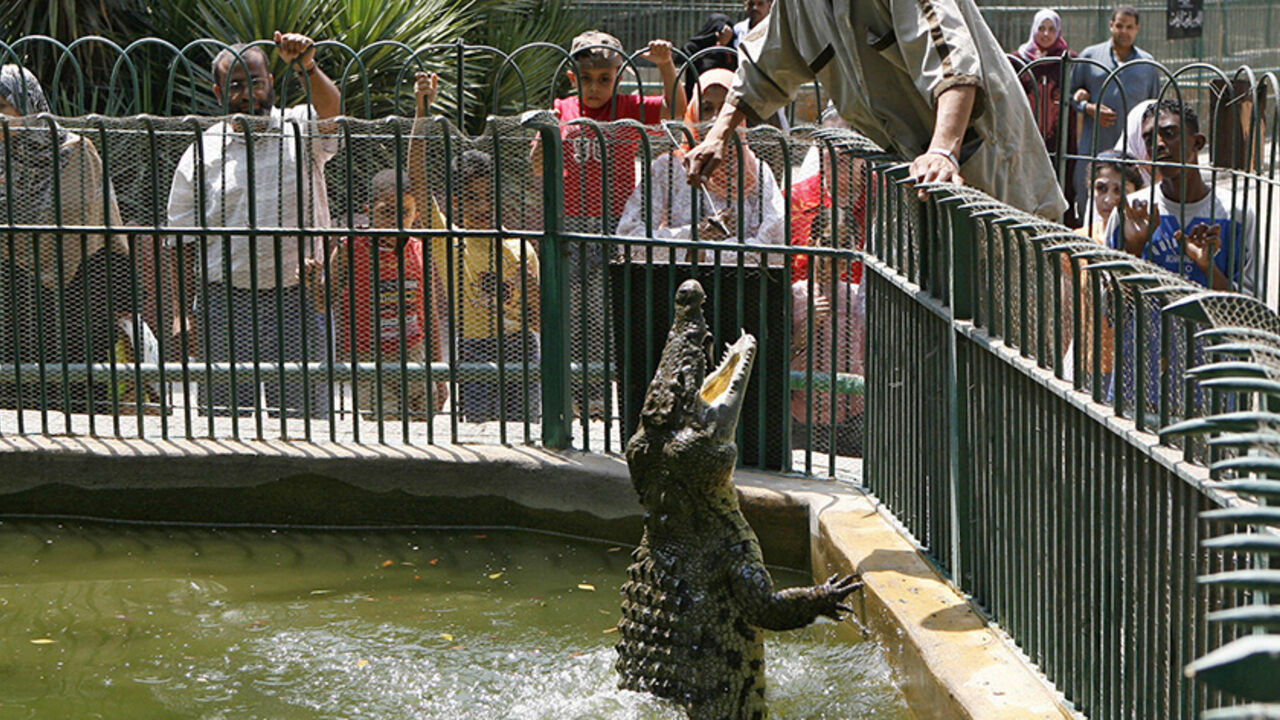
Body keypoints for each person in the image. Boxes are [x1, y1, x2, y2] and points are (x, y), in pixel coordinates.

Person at [684, 0, 1067, 221]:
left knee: (1003, 331)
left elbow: (955, 64)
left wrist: (942, 150)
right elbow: (760, 66)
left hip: (987, 161)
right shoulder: (798, 5)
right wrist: (718, 136)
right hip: (914, 179)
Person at [167, 32, 340, 419]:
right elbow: (179, 241)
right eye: (236, 86)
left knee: (305, 422)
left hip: (300, 298)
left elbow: (331, 109)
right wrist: (182, 315)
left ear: (271, 83)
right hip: (225, 304)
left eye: (256, 82)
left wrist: (307, 66)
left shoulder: (301, 128)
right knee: (226, 422)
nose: (248, 94)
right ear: (218, 91)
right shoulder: (201, 152)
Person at [549, 29, 686, 419]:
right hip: (571, 225)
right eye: (587, 79)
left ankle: (606, 399)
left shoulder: (629, 105)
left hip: (614, 224)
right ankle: (575, 395)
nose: (595, 88)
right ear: (573, 78)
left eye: (604, 79)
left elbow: (677, 112)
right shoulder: (563, 108)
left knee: (605, 313)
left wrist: (665, 66)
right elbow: (538, 159)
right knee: (573, 315)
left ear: (618, 76)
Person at [0, 64, 143, 413]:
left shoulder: (76, 153)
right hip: (12, 301)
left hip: (76, 300)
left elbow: (95, 228)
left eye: (3, 107)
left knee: (74, 399)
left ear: (29, 104)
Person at [615, 68, 785, 262]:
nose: (714, 119)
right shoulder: (669, 168)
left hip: (741, 285)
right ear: (694, 112)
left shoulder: (757, 172)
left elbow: (775, 246)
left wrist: (707, 255)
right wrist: (694, 235)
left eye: (723, 110)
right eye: (706, 109)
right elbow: (629, 238)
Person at [321, 169, 443, 422]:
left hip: (414, 354)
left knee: (423, 425)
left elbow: (429, 313)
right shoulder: (350, 247)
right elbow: (323, 302)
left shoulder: (419, 249)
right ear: (369, 210)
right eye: (387, 211)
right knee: (385, 427)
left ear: (416, 215)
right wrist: (314, 283)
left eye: (405, 213)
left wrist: (439, 373)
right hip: (368, 358)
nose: (396, 221)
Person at [1107, 99, 1256, 294]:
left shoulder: (1234, 213)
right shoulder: (1132, 211)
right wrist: (1134, 248)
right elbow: (1108, 305)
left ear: (1198, 143)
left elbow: (1248, 309)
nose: (1158, 145)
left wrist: (1207, 267)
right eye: (1149, 139)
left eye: (1169, 134)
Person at [451, 150, 541, 423]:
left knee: (523, 426)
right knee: (480, 428)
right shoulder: (450, 243)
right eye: (471, 198)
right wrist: (421, 114)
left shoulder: (521, 249)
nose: (482, 207)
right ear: (456, 202)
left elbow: (537, 321)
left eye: (489, 197)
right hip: (474, 345)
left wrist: (534, 292)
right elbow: (419, 182)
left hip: (520, 344)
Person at [1069, 6, 1161, 221]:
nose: (1124, 31)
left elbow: (1155, 110)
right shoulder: (1090, 56)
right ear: (1111, 25)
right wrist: (1088, 108)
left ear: (1137, 29)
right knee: (1088, 202)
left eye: (1130, 27)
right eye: (1119, 25)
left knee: (1130, 205)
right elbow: (1069, 95)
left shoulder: (1147, 64)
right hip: (1094, 146)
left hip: (1132, 155)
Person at [790, 235, 864, 457]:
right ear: (813, 243)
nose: (835, 255)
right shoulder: (796, 294)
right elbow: (782, 351)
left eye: (844, 246)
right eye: (828, 242)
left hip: (854, 410)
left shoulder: (856, 295)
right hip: (803, 411)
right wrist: (808, 325)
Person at [1009, 9, 1079, 224]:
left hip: (1061, 133)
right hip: (1030, 131)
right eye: (1041, 29)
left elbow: (1079, 87)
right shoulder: (1019, 59)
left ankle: (1063, 226)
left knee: (1063, 178)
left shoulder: (1069, 59)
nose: (1046, 34)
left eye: (1051, 29)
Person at [681, 13, 738, 100]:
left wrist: (723, 47)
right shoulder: (693, 48)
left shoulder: (732, 52)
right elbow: (704, 68)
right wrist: (716, 43)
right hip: (697, 97)